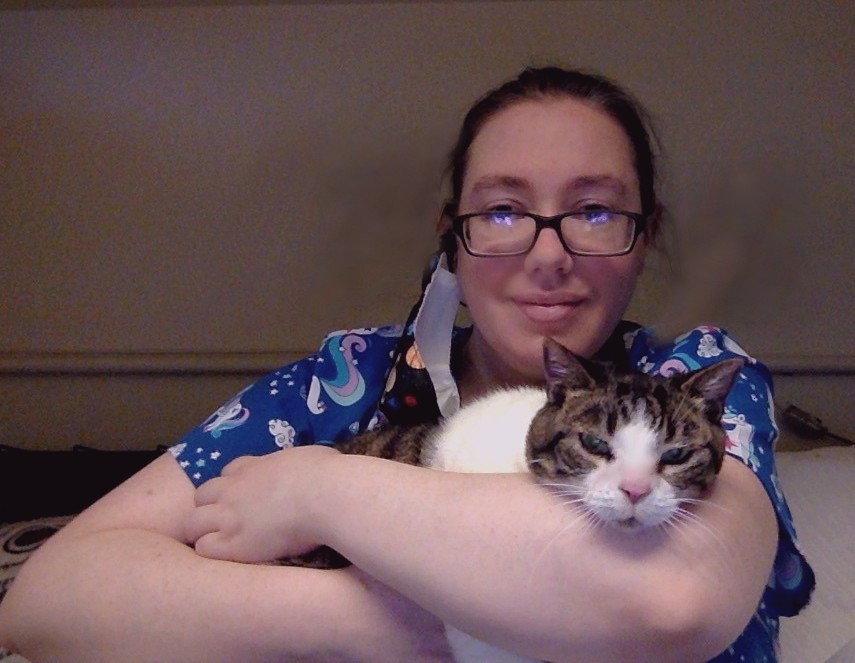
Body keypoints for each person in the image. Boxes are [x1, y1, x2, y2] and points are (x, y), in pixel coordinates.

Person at [0, 66, 813, 663]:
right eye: (501, 210)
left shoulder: (697, 378)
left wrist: (322, 489)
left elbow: (674, 601)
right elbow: (45, 599)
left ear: (643, 239)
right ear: (451, 235)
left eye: (593, 211)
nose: (546, 255)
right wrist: (374, 621)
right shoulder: (341, 379)